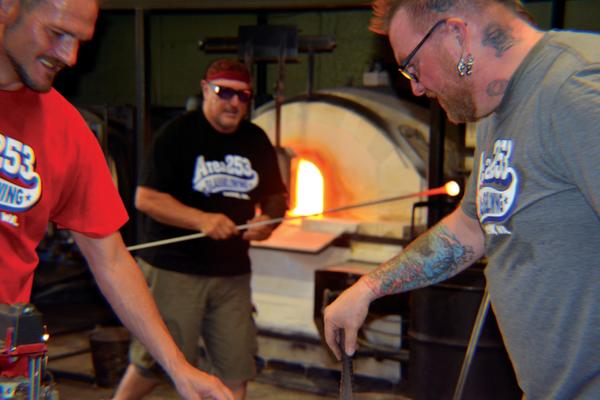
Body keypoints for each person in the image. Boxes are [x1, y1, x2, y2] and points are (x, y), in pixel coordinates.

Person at [324, 1, 600, 399]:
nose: (416, 87)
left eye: (412, 66)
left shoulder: (575, 88)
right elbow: (471, 227)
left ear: (457, 35)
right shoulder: (496, 108)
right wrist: (369, 288)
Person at [0, 0, 234, 399]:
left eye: (79, 42)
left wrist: (178, 367)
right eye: (57, 34)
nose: (69, 57)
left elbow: (110, 257)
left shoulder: (66, 130)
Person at [113, 58, 288, 400]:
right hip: (175, 270)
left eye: (243, 96)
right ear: (206, 89)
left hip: (232, 274)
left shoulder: (255, 139)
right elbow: (146, 199)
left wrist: (267, 221)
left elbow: (276, 197)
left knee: (237, 365)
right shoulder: (178, 135)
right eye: (225, 93)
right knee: (155, 362)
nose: (234, 103)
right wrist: (201, 220)